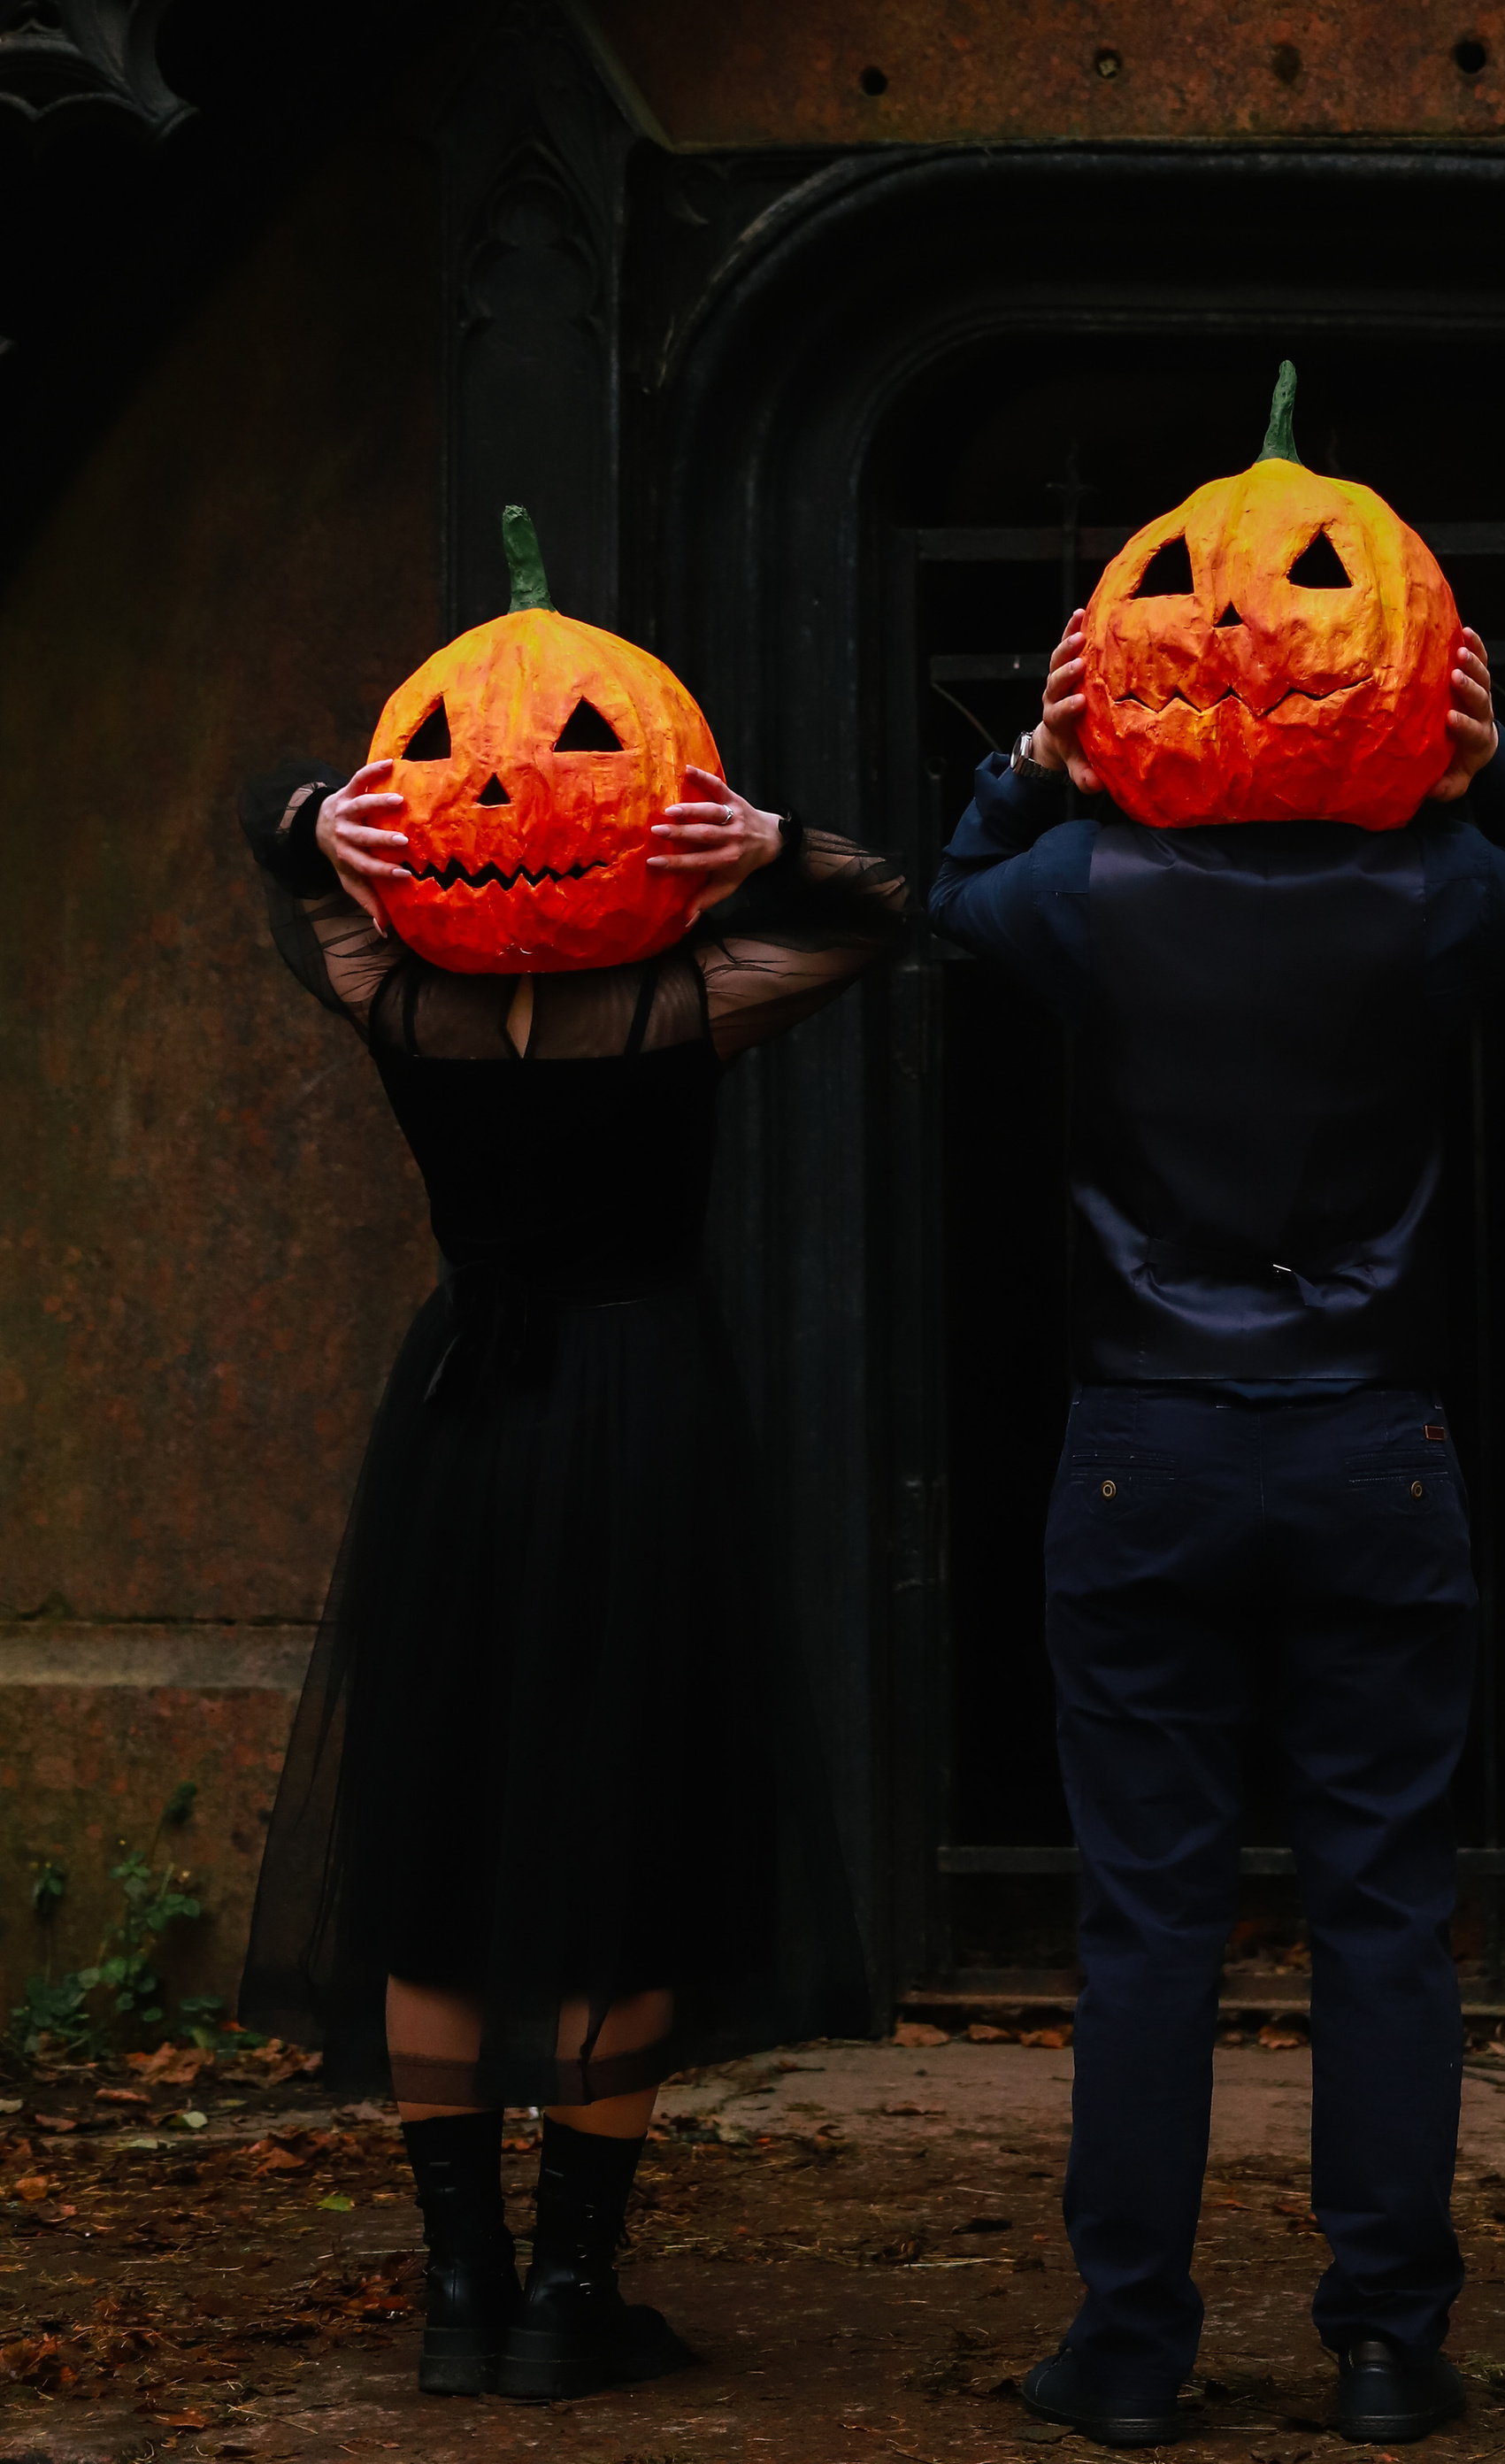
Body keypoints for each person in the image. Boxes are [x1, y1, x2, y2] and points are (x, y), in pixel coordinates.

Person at [928, 602, 1505, 2450]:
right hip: (1370, 1441)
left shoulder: (1080, 883)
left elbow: (950, 895)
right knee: (1380, 1912)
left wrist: (1031, 758)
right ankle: (1385, 2345)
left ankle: (1131, 2349)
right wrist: (1491, 766)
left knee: (1146, 1925)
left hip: (1143, 1442)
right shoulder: (1435, 888)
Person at [237, 734, 902, 2405]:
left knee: (439, 1824)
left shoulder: (400, 1001)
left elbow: (287, 855)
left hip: (467, 1416)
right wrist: (768, 841)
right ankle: (563, 2295)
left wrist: (328, 817)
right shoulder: (682, 1005)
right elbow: (880, 912)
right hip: (640, 1409)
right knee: (628, 1820)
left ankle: (462, 2290)